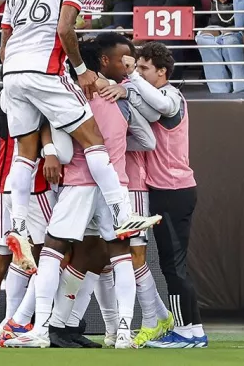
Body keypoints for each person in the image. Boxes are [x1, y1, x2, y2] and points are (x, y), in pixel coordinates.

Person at [0, 0, 158, 274]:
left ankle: (19, 226)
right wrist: (82, 68)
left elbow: (4, 41)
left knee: (24, 153)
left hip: (12, 74)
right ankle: (121, 212)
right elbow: (65, 29)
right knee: (94, 140)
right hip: (46, 70)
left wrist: (14, 73)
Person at [2, 43, 140, 350]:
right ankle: (124, 331)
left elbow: (58, 143)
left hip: (78, 183)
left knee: (52, 250)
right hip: (116, 184)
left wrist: (49, 148)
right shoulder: (119, 96)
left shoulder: (65, 97)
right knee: (120, 256)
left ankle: (40, 328)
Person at [100, 42, 206, 349]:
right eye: (136, 67)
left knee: (174, 268)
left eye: (144, 68)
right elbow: (143, 112)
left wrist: (130, 81)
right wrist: (127, 90)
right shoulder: (152, 96)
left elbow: (161, 108)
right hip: (168, 190)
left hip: (174, 190)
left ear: (162, 72)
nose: (138, 73)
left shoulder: (171, 96)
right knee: (176, 266)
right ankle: (194, 330)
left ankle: (184, 332)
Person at [89, 33, 173, 348]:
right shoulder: (93, 90)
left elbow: (151, 128)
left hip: (130, 184)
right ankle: (123, 325)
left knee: (132, 256)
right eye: (129, 63)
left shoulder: (139, 91)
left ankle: (152, 318)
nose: (132, 69)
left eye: (139, 66)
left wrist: (126, 93)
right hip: (104, 185)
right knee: (103, 260)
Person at [0, 94, 59, 348]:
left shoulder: (20, 89)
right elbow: (34, 129)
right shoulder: (16, 93)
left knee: (38, 257)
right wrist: (51, 149)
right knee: (5, 258)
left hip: (16, 187)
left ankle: (11, 321)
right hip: (16, 188)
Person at [195, 0, 244, 93]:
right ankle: (219, 92)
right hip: (219, 23)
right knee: (204, 39)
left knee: (230, 39)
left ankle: (242, 89)